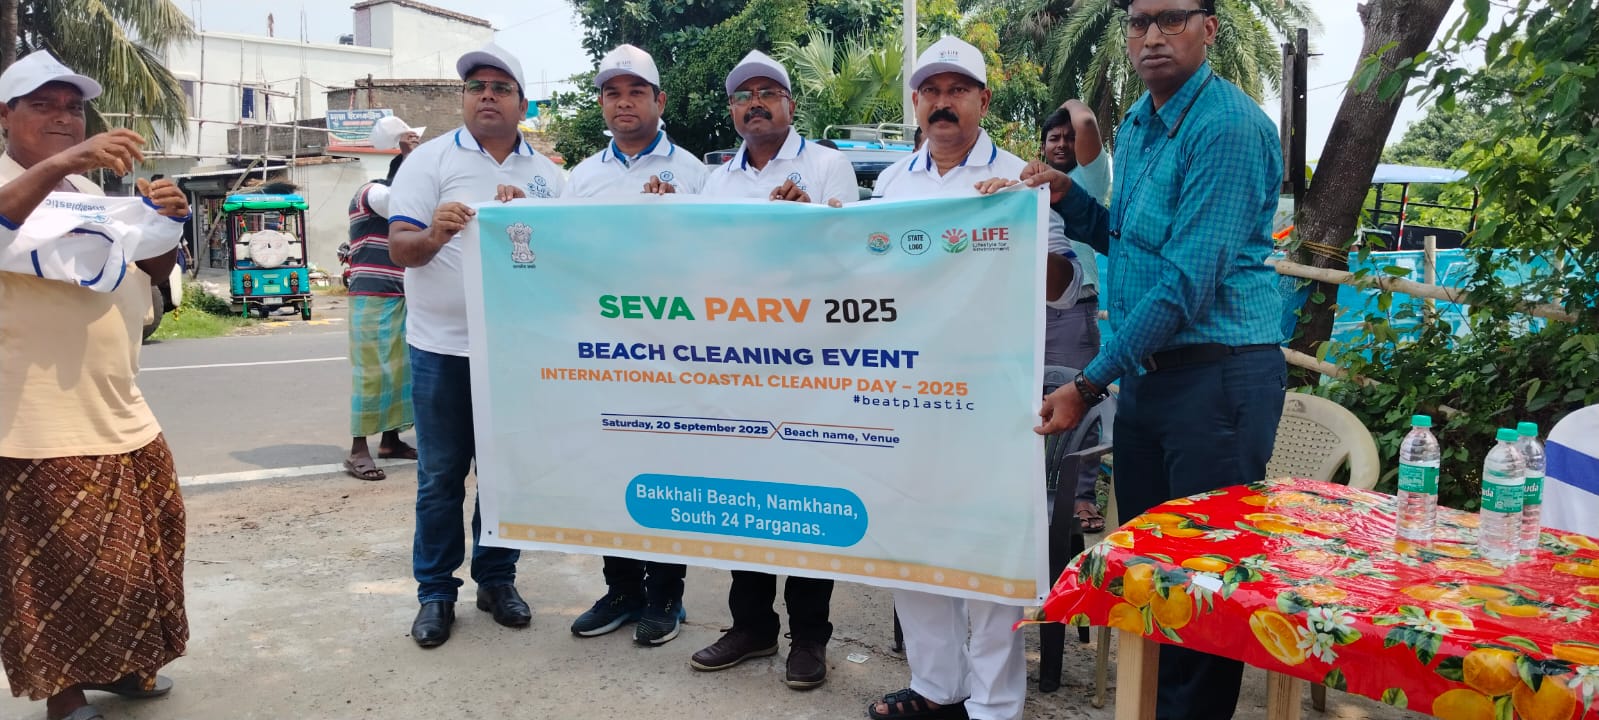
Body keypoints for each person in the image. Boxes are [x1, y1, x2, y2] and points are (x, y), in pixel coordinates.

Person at [1027, 1, 1287, 718]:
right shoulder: (1142, 121)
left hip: (1217, 379)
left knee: (1202, 581)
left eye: (1171, 19)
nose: (1151, 36)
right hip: (1150, 375)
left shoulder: (1226, 127)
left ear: (1209, 28)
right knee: (1154, 571)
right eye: (1138, 22)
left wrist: (1088, 383)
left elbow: (1184, 282)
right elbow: (1130, 240)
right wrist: (1066, 197)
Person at [864, 36, 1083, 720]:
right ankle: (936, 685)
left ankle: (992, 702)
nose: (942, 103)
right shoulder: (891, 184)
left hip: (990, 395)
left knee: (987, 546)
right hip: (903, 390)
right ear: (915, 103)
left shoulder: (1020, 178)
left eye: (956, 90)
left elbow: (1062, 288)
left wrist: (1020, 225)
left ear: (982, 101)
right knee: (911, 535)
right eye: (930, 91)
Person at [0, 50, 191, 720]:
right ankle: (65, 694)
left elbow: (147, 270)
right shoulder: (26, 181)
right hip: (34, 420)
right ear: (4, 116)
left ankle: (127, 666)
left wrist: (165, 219)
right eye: (43, 104)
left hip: (120, 405)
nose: (62, 117)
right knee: (52, 566)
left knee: (146, 550)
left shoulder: (87, 192)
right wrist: (66, 163)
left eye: (72, 107)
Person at [387, 42, 567, 649]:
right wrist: (436, 233)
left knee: (503, 473)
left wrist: (536, 228)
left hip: (514, 350)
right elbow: (401, 250)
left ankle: (497, 580)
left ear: (522, 103)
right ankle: (436, 593)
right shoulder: (428, 161)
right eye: (475, 87)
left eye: (500, 87)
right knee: (441, 475)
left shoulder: (549, 177)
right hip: (441, 348)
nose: (486, 96)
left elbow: (563, 264)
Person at [690, 49, 856, 690]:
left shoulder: (828, 165)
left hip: (811, 361)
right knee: (746, 496)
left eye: (767, 92)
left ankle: (809, 636)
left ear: (790, 103)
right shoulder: (717, 181)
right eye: (743, 95)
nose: (754, 103)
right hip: (737, 362)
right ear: (732, 110)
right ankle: (752, 625)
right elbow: (703, 265)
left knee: (808, 494)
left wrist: (807, 214)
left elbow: (849, 258)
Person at [564, 44, 708, 647]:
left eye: (636, 92)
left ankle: (665, 595)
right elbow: (564, 258)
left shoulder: (695, 174)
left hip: (671, 349)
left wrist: (676, 220)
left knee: (667, 468)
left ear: (659, 100)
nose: (624, 103)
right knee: (608, 465)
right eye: (612, 93)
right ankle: (620, 589)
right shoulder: (580, 179)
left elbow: (716, 263)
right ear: (602, 103)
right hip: (604, 349)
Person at [1038, 101, 1113, 533]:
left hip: (1074, 310)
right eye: (1054, 137)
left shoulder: (1087, 179)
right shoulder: (1029, 187)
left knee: (1082, 400)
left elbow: (1086, 120)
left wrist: (1066, 108)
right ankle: (1038, 490)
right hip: (1029, 312)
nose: (1063, 143)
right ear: (1043, 146)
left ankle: (1080, 496)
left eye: (1069, 138)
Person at [342, 116, 424, 482]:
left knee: (402, 373)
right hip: (372, 295)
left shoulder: (406, 200)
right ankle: (358, 449)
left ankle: (391, 441)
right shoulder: (371, 193)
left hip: (403, 295)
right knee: (372, 374)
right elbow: (398, 204)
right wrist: (412, 159)